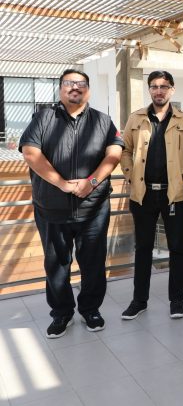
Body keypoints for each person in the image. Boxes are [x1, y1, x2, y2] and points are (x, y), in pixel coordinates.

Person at [19, 69, 123, 338]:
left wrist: (92, 182)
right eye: (69, 83)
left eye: (81, 83)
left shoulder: (102, 120)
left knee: (93, 263)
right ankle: (61, 313)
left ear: (88, 89)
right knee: (56, 265)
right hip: (52, 208)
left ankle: (90, 309)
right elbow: (30, 153)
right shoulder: (43, 117)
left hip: (93, 208)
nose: (75, 87)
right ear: (60, 88)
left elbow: (114, 153)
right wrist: (63, 184)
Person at [120, 70, 183, 320]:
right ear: (149, 90)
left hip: (173, 194)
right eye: (154, 86)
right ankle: (139, 301)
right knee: (143, 249)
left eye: (164, 86)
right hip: (142, 194)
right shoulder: (136, 118)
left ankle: (177, 301)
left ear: (172, 89)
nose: (159, 91)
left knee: (177, 249)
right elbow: (125, 150)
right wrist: (130, 176)